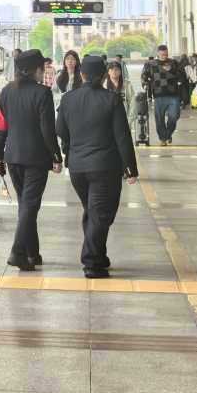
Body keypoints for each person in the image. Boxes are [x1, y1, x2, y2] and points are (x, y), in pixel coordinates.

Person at [54, 51, 140, 278]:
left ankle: (99, 256)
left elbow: (60, 129)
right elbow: (122, 136)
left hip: (78, 169)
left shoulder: (68, 99)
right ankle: (91, 262)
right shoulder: (112, 100)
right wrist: (130, 168)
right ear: (103, 76)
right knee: (101, 214)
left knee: (93, 212)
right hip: (105, 168)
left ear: (81, 74)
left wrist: (71, 149)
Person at [0, 49, 61, 271]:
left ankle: (32, 253)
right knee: (30, 205)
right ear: (36, 70)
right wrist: (56, 155)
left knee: (26, 205)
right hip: (36, 158)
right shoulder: (43, 93)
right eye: (42, 68)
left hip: (13, 156)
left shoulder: (6, 91)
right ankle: (17, 252)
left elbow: (1, 126)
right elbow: (47, 129)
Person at [143, 45, 194, 148]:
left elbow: (183, 75)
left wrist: (174, 74)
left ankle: (167, 134)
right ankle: (163, 139)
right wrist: (145, 84)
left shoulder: (174, 63)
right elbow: (144, 76)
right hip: (158, 95)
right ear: (158, 53)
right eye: (162, 54)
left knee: (174, 116)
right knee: (159, 119)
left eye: (166, 54)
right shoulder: (150, 64)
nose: (164, 56)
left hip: (173, 95)